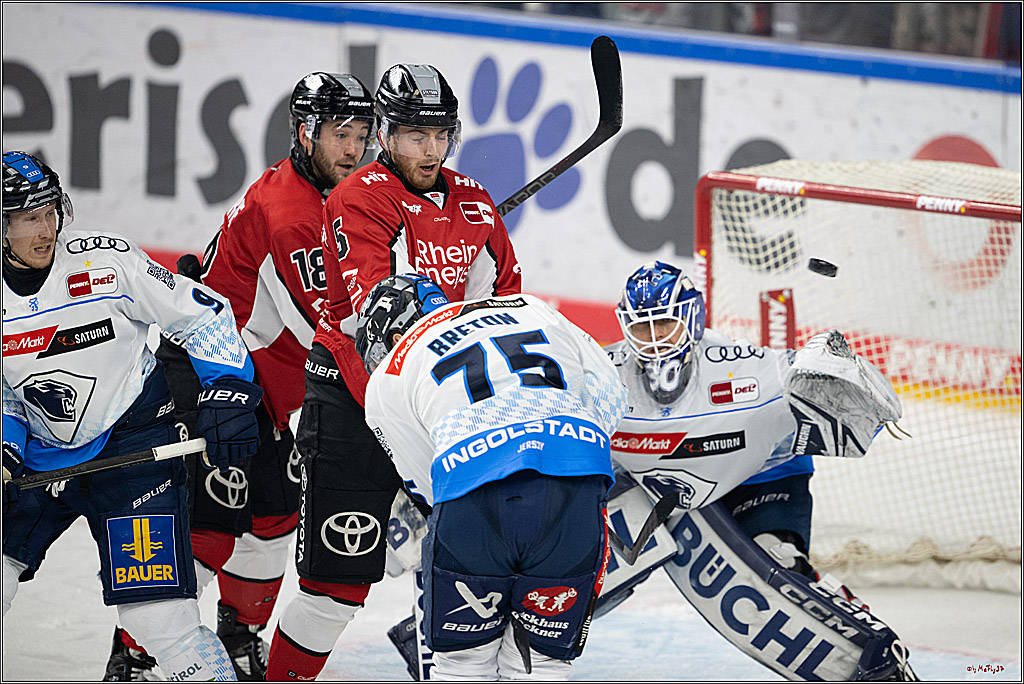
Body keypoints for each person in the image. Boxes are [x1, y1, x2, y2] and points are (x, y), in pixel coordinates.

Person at [103, 72, 377, 681]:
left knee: (273, 522)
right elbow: (331, 330)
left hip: (270, 387)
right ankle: (134, 656)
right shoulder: (292, 216)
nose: (353, 149)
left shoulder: (336, 198)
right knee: (207, 529)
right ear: (305, 133)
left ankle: (238, 635)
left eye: (362, 135)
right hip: (214, 376)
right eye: (340, 134)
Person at [265, 63, 522, 681]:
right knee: (335, 589)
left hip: (443, 406)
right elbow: (379, 315)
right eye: (414, 135)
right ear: (385, 133)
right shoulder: (359, 197)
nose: (431, 150)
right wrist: (445, 310)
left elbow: (507, 304)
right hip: (353, 402)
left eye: (441, 134)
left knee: (477, 566)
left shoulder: (475, 202)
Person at [2, 151, 263, 681]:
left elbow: (202, 314)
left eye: (51, 212)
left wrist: (229, 388)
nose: (47, 230)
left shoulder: (106, 261)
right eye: (30, 218)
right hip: (34, 458)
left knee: (160, 621)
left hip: (132, 448)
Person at [598, 260, 917, 681]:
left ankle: (864, 646)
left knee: (778, 564)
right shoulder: (603, 373)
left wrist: (833, 374)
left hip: (757, 478)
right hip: (654, 490)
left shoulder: (740, 366)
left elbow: (811, 387)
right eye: (643, 327)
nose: (655, 341)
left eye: (665, 325)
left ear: (691, 320)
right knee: (575, 573)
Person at [358, 273, 629, 680]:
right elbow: (612, 392)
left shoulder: (390, 373)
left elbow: (426, 485)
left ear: (394, 334)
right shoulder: (532, 306)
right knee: (542, 663)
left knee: (463, 664)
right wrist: (566, 451)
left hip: (475, 493)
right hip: (575, 478)